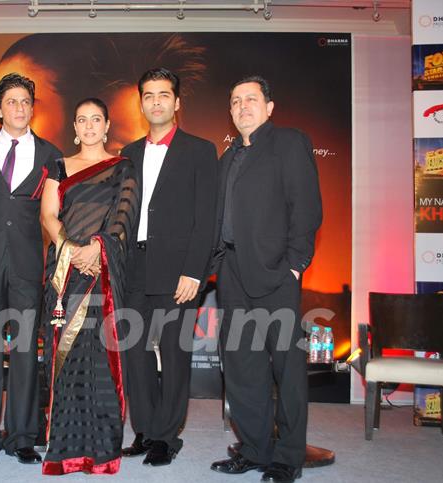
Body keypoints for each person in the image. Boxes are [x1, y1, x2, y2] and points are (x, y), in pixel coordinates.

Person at [209, 76, 322, 483]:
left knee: (286, 370)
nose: (242, 107)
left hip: (276, 274)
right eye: (235, 101)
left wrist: (294, 265)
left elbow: (306, 208)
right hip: (233, 275)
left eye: (251, 99)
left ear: (269, 107)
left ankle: (287, 456)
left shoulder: (290, 143)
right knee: (242, 367)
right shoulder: (227, 158)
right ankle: (255, 449)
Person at [0, 72, 62, 465]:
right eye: (11, 102)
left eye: (25, 102)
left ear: (32, 108)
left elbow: (56, 211)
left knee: (24, 351)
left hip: (26, 263)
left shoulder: (52, 154)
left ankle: (22, 435)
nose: (19, 108)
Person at [120, 68, 218, 466]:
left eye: (164, 95)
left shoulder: (200, 150)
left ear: (177, 103)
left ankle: (166, 436)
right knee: (134, 351)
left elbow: (206, 217)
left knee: (175, 353)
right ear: (141, 102)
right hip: (133, 266)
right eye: (148, 95)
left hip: (178, 269)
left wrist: (195, 271)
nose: (156, 101)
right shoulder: (127, 153)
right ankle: (144, 429)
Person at [39, 98, 139, 475]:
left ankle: (101, 449)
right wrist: (72, 250)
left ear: (107, 125)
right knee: (62, 357)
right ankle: (63, 448)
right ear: (75, 128)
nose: (89, 126)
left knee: (100, 358)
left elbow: (125, 216)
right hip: (64, 273)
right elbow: (48, 215)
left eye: (96, 119)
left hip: (103, 271)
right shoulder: (58, 166)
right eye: (82, 120)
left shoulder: (123, 167)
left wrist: (98, 249)